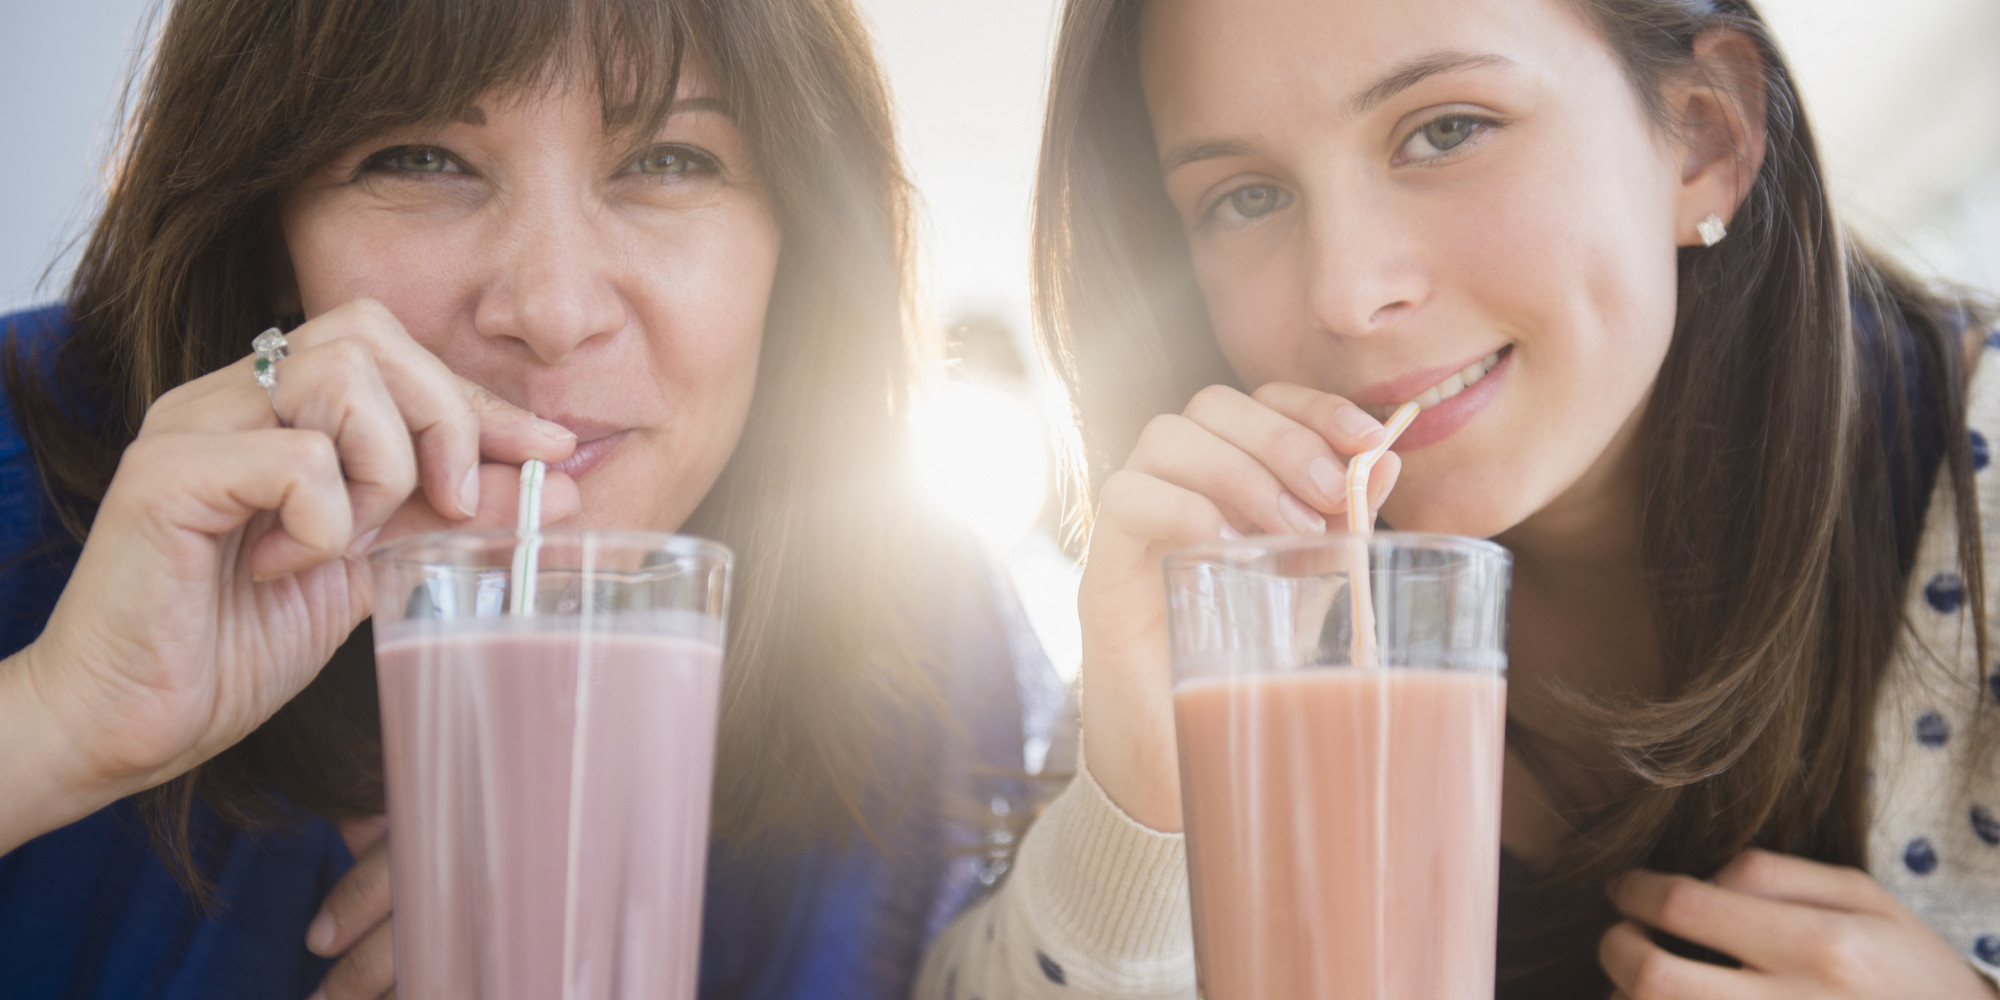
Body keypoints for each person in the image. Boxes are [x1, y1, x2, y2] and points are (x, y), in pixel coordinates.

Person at [915, 0, 2000, 997]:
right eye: (1245, 197)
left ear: (1703, 139)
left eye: (1444, 129)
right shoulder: (1240, 599)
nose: (1343, 293)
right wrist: (1135, 815)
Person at [0, 1, 1068, 997]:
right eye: (419, 158)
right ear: (268, 227)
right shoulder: (27, 469)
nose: (551, 311)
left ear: (797, 238)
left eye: (669, 159)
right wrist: (52, 717)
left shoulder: (908, 627)